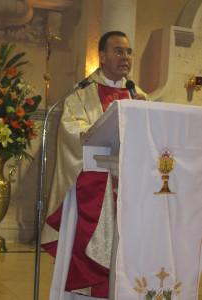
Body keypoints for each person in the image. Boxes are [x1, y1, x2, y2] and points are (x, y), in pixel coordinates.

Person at [41, 31, 148, 300]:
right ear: (101, 56)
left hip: (130, 192)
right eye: (118, 51)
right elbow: (70, 131)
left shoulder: (138, 96)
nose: (126, 57)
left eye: (129, 52)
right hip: (94, 190)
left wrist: (145, 117)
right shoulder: (82, 93)